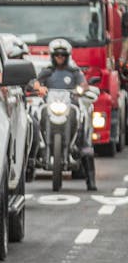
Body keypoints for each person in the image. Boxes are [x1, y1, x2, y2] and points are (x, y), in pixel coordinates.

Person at [37, 38, 97, 191]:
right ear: (52, 56)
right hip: (51, 107)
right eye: (57, 55)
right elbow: (35, 82)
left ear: (67, 56)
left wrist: (82, 90)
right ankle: (37, 146)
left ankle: (91, 180)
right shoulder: (47, 71)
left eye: (63, 55)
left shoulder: (74, 72)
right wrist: (38, 87)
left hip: (70, 107)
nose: (60, 58)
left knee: (83, 125)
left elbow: (83, 84)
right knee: (35, 116)